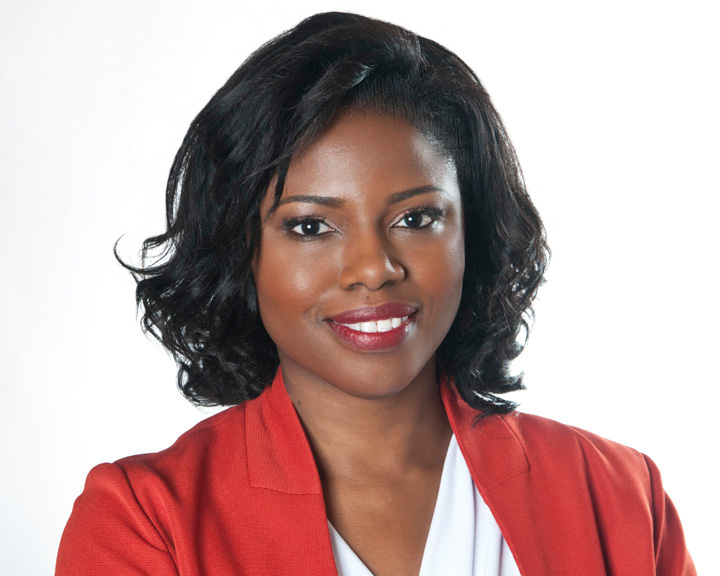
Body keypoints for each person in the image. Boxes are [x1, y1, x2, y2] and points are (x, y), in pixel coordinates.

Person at [56, 12, 695, 576]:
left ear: (472, 230)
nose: (373, 268)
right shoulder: (146, 522)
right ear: (239, 252)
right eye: (310, 226)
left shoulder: (622, 498)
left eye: (417, 218)